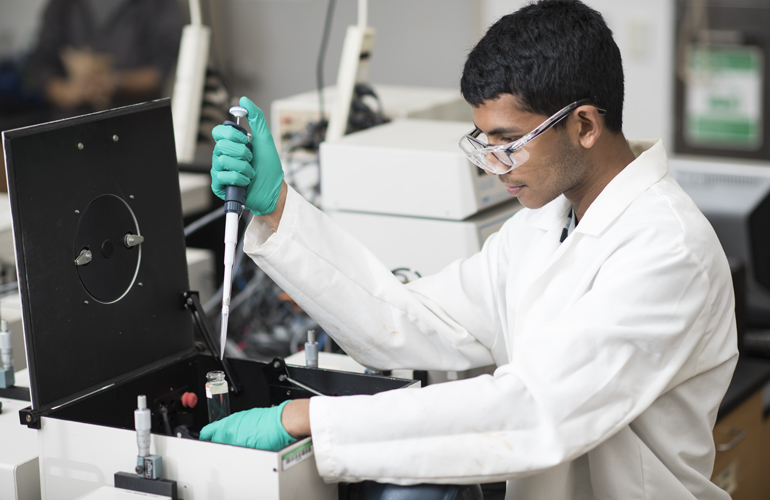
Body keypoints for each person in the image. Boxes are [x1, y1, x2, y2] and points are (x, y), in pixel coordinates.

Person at [202, 1, 738, 498]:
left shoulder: (668, 249)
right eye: (483, 142)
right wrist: (276, 209)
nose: (491, 164)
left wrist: (305, 419)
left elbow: (534, 410)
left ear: (584, 126)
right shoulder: (544, 224)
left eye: (508, 142)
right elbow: (414, 318)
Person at [26, 0, 183, 117]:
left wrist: (116, 81)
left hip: (135, 123)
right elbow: (42, 61)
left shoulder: (158, 5)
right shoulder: (62, 5)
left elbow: (167, 67)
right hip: (72, 125)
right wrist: (67, 92)